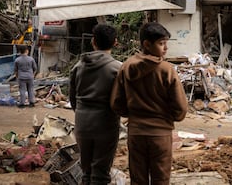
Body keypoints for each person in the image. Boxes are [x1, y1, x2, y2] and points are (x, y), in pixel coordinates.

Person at [110, 22, 188, 185]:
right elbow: (180, 110)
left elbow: (117, 103)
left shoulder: (125, 67)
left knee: (138, 179)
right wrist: (167, 118)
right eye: (161, 44)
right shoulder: (167, 70)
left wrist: (133, 114)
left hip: (136, 133)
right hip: (160, 135)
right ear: (147, 44)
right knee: (160, 179)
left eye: (166, 43)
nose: (165, 48)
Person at [69, 24, 122, 184]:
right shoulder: (117, 68)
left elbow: (73, 99)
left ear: (93, 42)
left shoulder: (78, 66)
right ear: (115, 43)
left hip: (82, 122)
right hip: (106, 123)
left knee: (86, 171)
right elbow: (120, 101)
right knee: (101, 173)